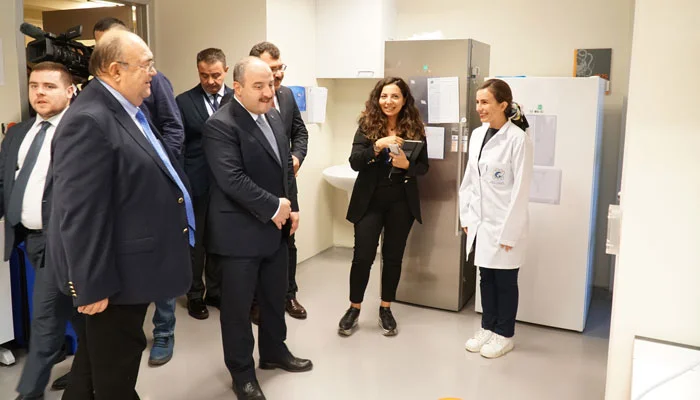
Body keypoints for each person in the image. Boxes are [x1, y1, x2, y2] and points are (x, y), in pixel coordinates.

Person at [46, 29, 193, 399]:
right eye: (146, 65)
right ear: (115, 70)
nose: (153, 73)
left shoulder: (128, 110)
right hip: (112, 280)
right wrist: (91, 285)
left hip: (129, 268)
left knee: (92, 368)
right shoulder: (90, 120)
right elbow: (80, 212)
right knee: (115, 373)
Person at [203, 56, 312, 400]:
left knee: (274, 297)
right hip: (238, 235)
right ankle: (242, 373)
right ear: (237, 88)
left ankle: (274, 351)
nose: (268, 92)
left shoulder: (273, 116)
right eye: (258, 86)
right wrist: (275, 206)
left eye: (270, 84)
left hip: (275, 230)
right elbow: (231, 179)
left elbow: (285, 169)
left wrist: (292, 207)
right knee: (237, 310)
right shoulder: (220, 125)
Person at [221, 42, 309, 322]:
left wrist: (295, 158)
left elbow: (299, 133)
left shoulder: (285, 98)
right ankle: (257, 303)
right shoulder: (230, 111)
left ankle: (287, 295)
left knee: (286, 248)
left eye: (279, 69)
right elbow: (233, 172)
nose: (276, 76)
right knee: (254, 259)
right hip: (253, 204)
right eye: (270, 71)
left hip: (284, 191)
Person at [4, 62, 74, 400]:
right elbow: (6, 181)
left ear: (70, 91)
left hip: (64, 241)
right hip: (29, 239)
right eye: (34, 86)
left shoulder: (80, 131)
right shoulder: (19, 133)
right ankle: (91, 371)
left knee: (45, 316)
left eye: (49, 86)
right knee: (73, 311)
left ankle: (29, 393)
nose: (39, 93)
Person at [338, 77, 429, 337]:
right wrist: (377, 147)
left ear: (404, 100)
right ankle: (354, 308)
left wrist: (407, 166)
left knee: (393, 257)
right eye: (384, 96)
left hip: (401, 203)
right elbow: (355, 162)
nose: (389, 101)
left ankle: (386, 308)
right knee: (362, 257)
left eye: (395, 96)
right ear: (377, 99)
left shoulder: (415, 127)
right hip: (369, 203)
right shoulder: (367, 125)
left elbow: (424, 167)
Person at [458, 78, 533, 359]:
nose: (479, 107)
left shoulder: (518, 139)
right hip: (481, 222)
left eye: (485, 102)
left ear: (503, 105)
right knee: (485, 278)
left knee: (505, 281)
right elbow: (469, 180)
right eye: (478, 102)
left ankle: (504, 334)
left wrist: (510, 232)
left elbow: (521, 190)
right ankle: (487, 327)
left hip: (504, 222)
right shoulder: (478, 135)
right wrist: (466, 216)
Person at [176, 48, 231, 320]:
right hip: (196, 180)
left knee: (220, 239)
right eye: (204, 75)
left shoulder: (237, 99)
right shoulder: (184, 102)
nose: (210, 81)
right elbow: (179, 144)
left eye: (216, 75)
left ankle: (216, 292)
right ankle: (195, 294)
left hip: (229, 184)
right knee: (195, 243)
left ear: (226, 71)